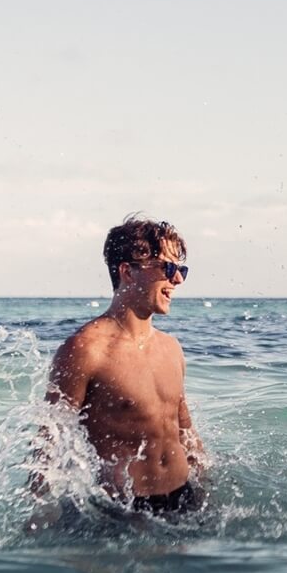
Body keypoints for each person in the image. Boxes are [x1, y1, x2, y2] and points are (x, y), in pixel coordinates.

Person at [35, 214, 204, 516]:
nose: (177, 279)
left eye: (180, 269)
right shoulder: (85, 350)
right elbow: (48, 441)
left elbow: (185, 430)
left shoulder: (171, 348)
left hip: (185, 498)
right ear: (128, 272)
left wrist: (206, 488)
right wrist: (40, 512)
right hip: (124, 513)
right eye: (167, 268)